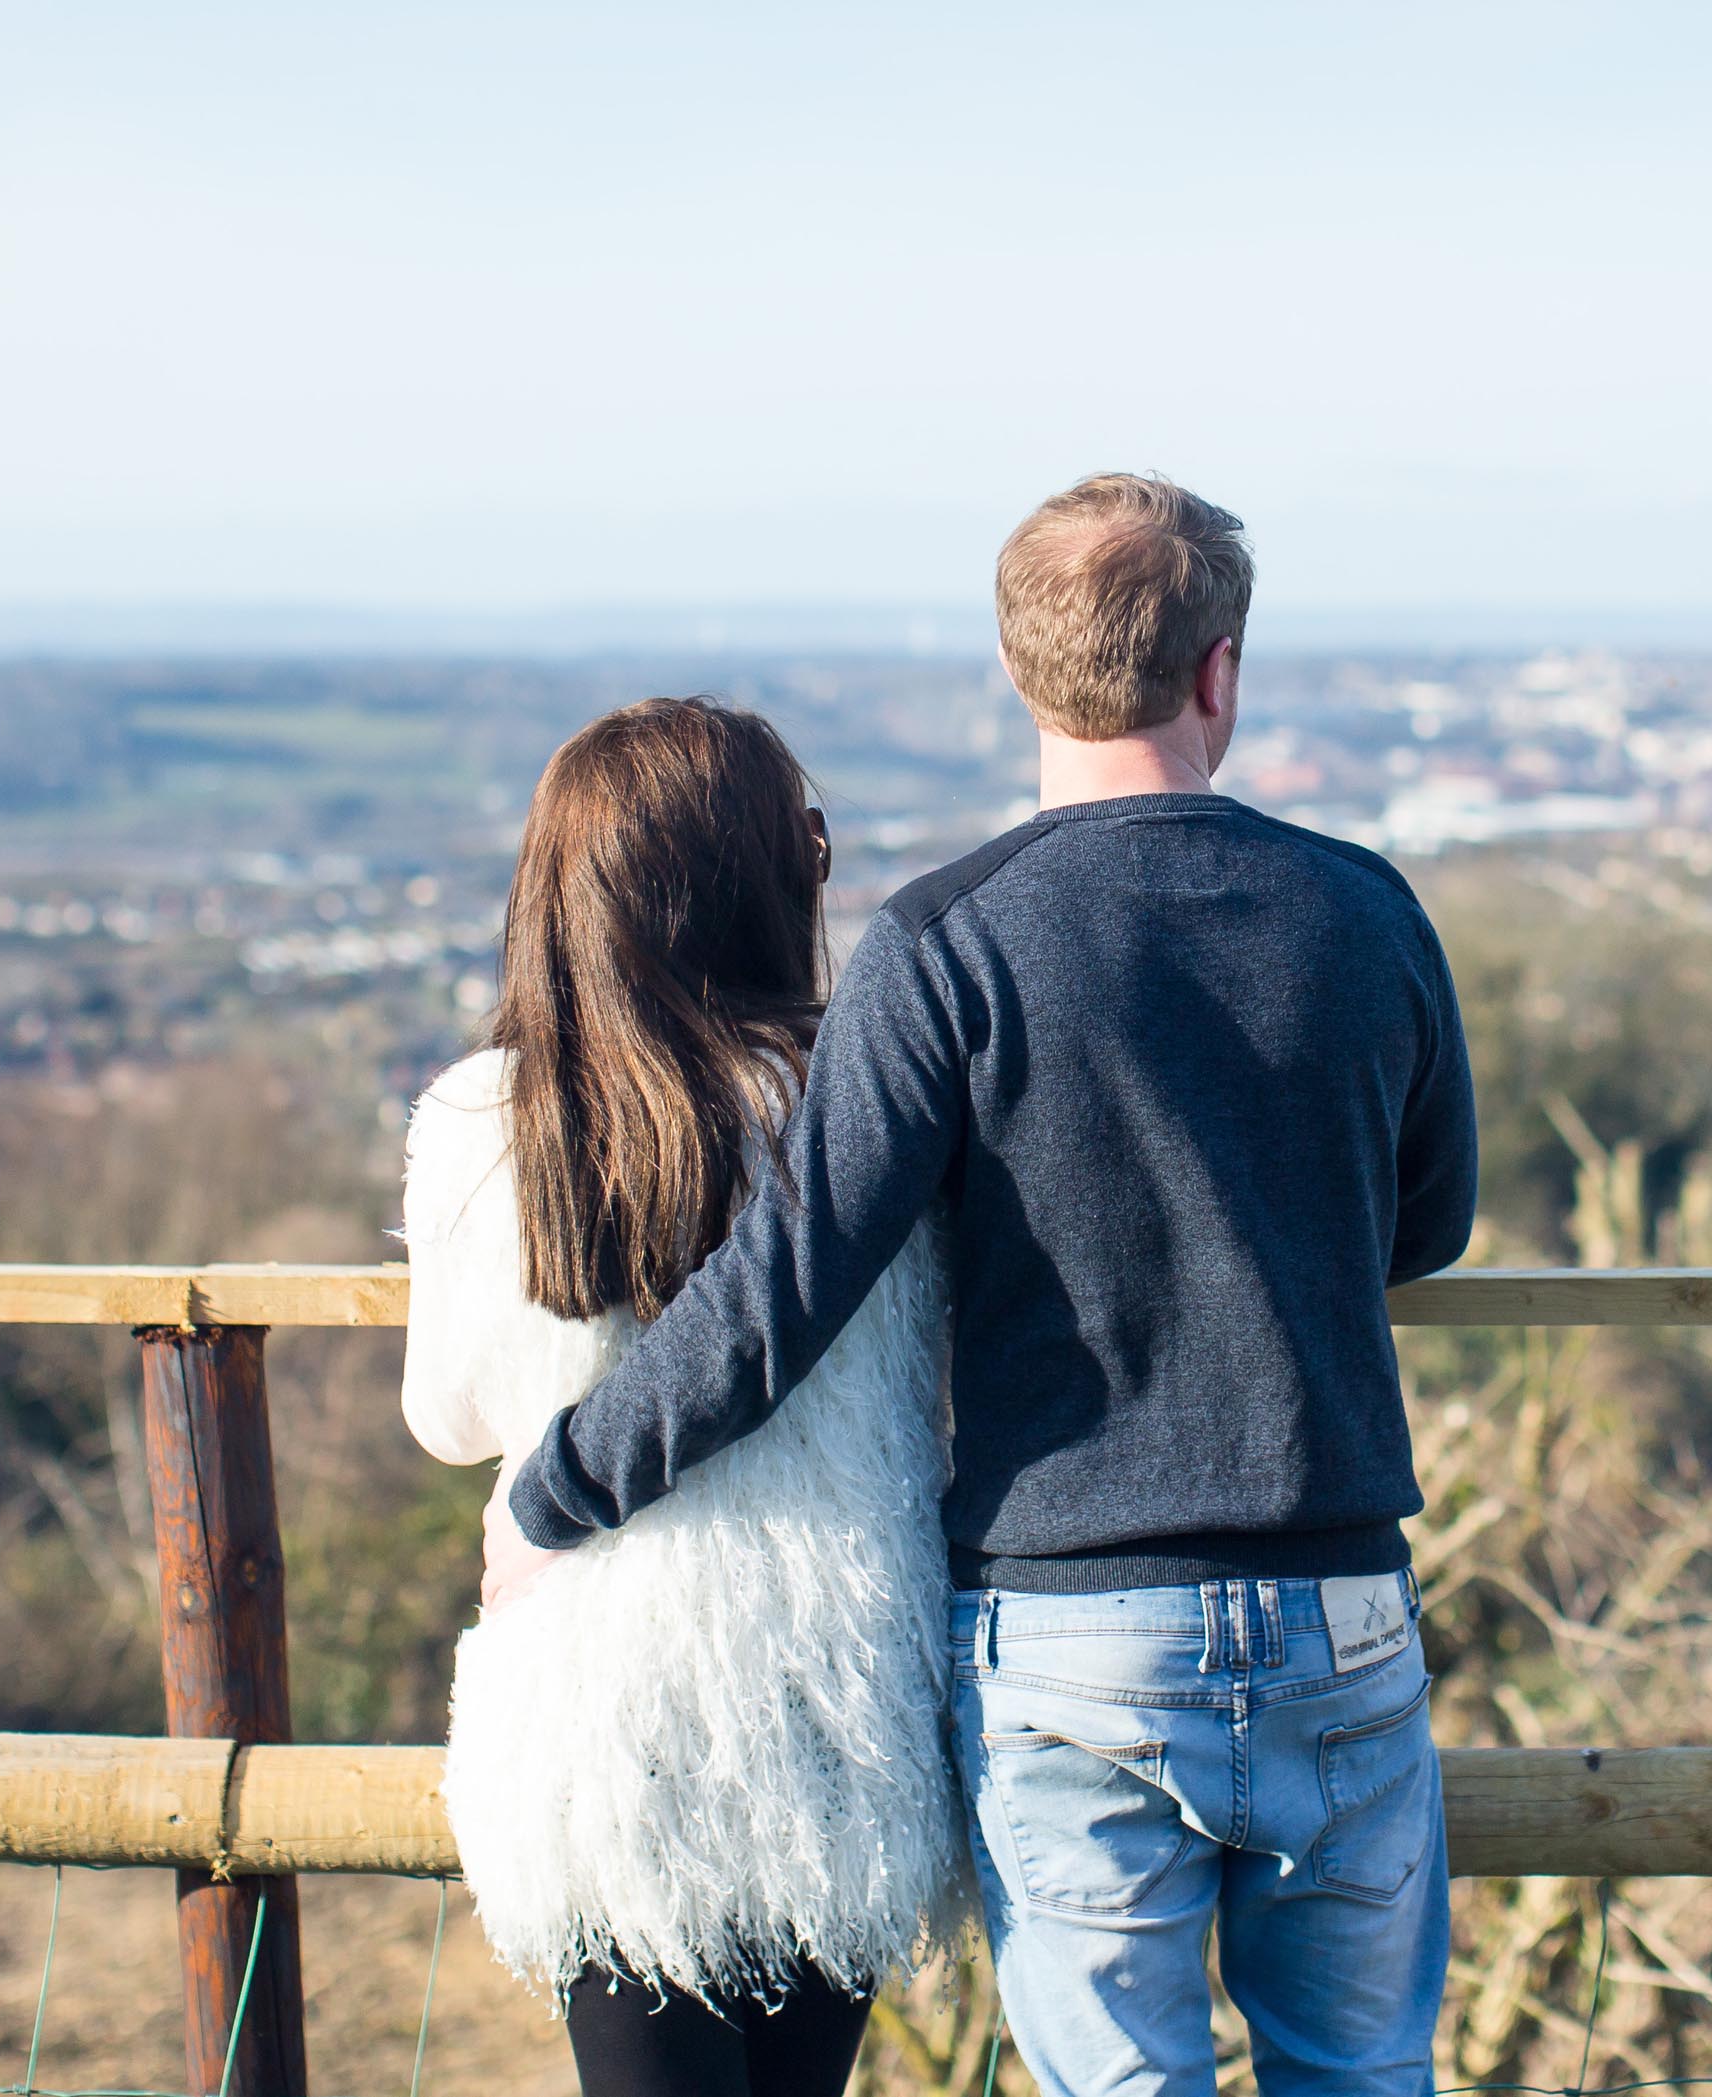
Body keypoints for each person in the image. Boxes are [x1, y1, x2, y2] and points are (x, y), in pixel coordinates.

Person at [491, 474, 1479, 2094]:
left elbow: (781, 1287)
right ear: (1219, 670)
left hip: (1073, 1632)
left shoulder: (946, 939)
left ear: (1017, 672)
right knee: (1363, 2076)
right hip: (1337, 1599)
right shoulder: (1364, 908)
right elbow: (1425, 1227)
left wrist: (556, 1491)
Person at [397, 696, 962, 2097]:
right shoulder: (856, 1106)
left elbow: (448, 1419)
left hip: (600, 1715)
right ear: (783, 874)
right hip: (840, 1693)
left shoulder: (483, 1117)